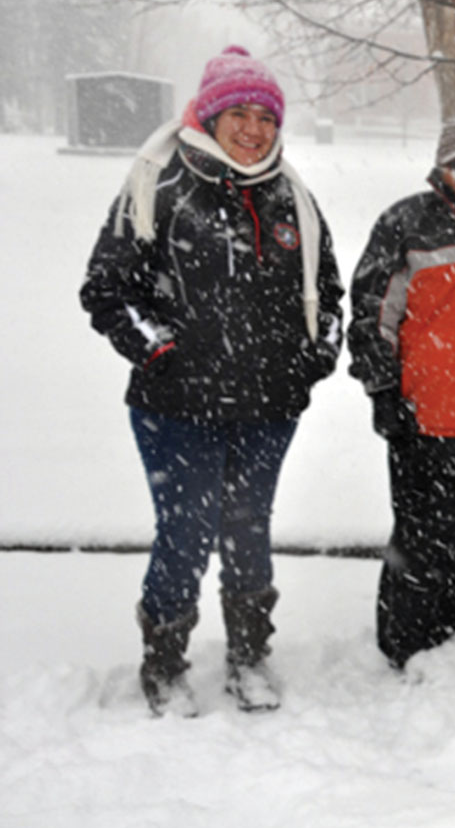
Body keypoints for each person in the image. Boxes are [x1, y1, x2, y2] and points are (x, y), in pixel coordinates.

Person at [80, 46, 344, 716]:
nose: (253, 129)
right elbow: (107, 291)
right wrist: (161, 354)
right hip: (176, 407)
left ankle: (250, 657)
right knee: (186, 534)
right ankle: (164, 663)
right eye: (239, 114)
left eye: (265, 116)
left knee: (249, 531)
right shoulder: (158, 186)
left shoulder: (293, 198)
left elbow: (329, 294)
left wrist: (312, 359)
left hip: (267, 407)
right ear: (210, 115)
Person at [348, 119, 455, 669]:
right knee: (423, 537)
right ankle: (408, 643)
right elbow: (373, 311)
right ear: (441, 169)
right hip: (425, 415)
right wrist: (382, 389)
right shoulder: (406, 223)